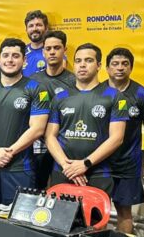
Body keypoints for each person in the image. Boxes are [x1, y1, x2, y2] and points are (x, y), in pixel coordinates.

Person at [0, 38, 49, 205]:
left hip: (20, 168)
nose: (10, 60)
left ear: (24, 60)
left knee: (17, 219)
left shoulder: (36, 88)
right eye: (5, 55)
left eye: (15, 56)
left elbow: (38, 128)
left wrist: (8, 153)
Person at [45, 43, 127, 195]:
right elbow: (50, 136)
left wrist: (85, 164)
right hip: (63, 171)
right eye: (78, 61)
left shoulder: (115, 96)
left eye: (88, 60)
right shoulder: (60, 97)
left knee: (94, 213)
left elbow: (117, 138)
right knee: (59, 212)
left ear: (99, 65)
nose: (82, 65)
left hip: (98, 173)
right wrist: (67, 166)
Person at [102, 48, 144, 234]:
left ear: (131, 67)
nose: (120, 68)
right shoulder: (98, 92)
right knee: (97, 210)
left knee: (124, 212)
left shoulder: (142, 94)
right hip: (100, 163)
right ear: (107, 68)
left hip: (128, 163)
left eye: (125, 64)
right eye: (115, 64)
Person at [30, 30, 76, 189]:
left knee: (62, 192)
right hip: (37, 147)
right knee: (37, 190)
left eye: (56, 48)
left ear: (64, 50)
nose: (52, 52)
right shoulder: (33, 80)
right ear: (43, 52)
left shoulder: (74, 81)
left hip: (64, 147)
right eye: (48, 48)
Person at [22, 10, 49, 77]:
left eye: (38, 25)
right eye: (31, 26)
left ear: (46, 28)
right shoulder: (21, 51)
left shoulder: (53, 50)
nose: (34, 29)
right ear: (26, 30)